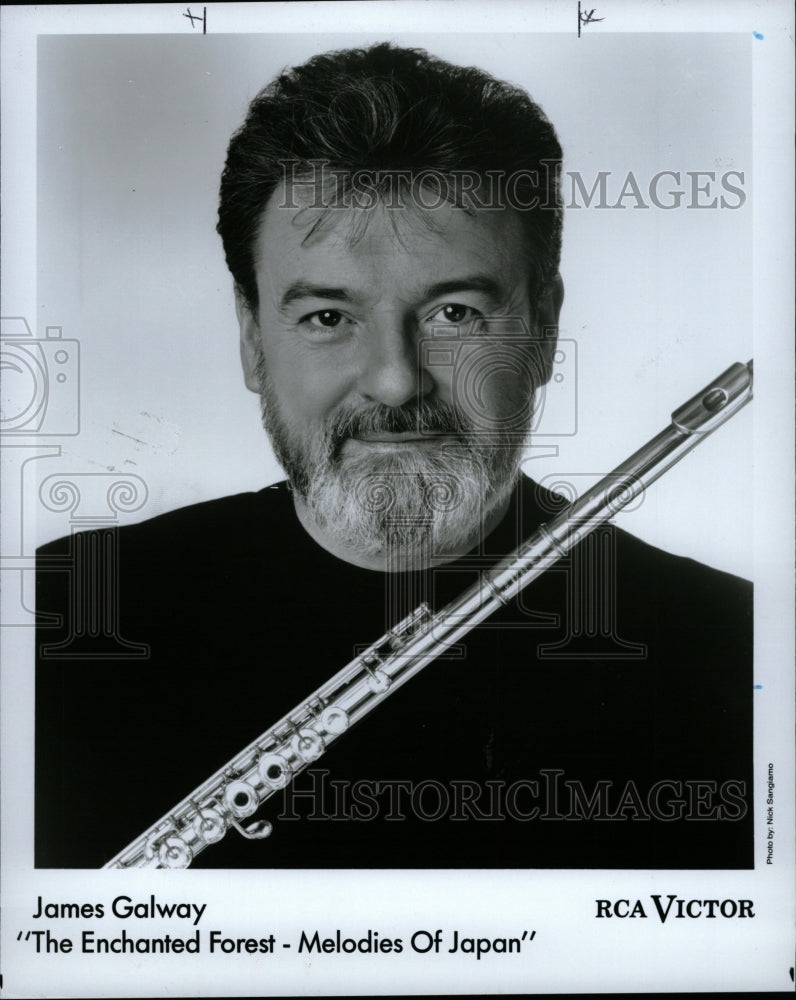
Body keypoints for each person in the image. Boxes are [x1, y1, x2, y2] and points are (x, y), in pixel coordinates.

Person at [35, 42, 752, 869]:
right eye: (328, 318)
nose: (394, 380)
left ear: (545, 330)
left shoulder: (735, 647)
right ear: (250, 338)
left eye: (454, 313)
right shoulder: (58, 625)